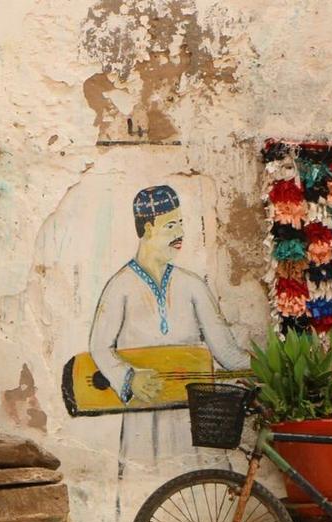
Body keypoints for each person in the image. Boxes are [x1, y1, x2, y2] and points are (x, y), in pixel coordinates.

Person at [87, 185, 250, 476]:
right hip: (144, 418)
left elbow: (226, 352)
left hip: (194, 416)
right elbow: (99, 346)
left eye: (181, 224)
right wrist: (129, 378)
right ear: (149, 228)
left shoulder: (192, 285)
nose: (181, 233)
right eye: (171, 225)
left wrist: (269, 369)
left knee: (202, 491)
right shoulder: (120, 287)